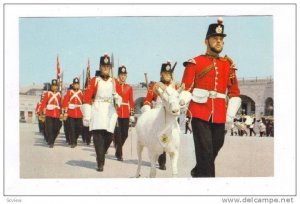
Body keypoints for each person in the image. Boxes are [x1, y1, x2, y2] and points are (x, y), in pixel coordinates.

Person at [180, 17, 241, 177]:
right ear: (206, 41)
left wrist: (230, 115)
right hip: (199, 111)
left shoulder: (228, 65)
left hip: (220, 114)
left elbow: (234, 92)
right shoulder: (195, 62)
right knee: (206, 150)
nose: (219, 41)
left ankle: (199, 170)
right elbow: (186, 88)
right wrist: (183, 100)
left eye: (221, 39)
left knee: (216, 145)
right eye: (215, 38)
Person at [81, 53, 122, 172]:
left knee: (109, 137)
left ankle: (101, 155)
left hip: (110, 111)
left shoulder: (114, 81)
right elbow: (87, 97)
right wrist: (87, 115)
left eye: (107, 67)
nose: (105, 68)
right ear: (100, 67)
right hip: (98, 110)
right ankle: (100, 162)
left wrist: (117, 97)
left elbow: (120, 100)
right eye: (103, 66)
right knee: (98, 137)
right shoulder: (95, 80)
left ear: (110, 68)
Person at [141, 60, 178, 170]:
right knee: (161, 138)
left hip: (171, 116)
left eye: (169, 73)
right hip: (159, 115)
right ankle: (162, 161)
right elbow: (147, 101)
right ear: (161, 74)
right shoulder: (155, 86)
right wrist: (148, 112)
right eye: (165, 73)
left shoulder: (174, 87)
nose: (167, 75)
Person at [114, 65, 135, 161]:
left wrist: (132, 114)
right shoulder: (115, 86)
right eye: (121, 75)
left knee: (125, 134)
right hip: (117, 112)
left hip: (126, 113)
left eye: (124, 75)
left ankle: (118, 149)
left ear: (126, 76)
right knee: (118, 134)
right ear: (118, 76)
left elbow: (131, 101)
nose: (123, 76)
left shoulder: (129, 87)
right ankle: (119, 154)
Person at [39, 79, 62, 148]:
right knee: (49, 128)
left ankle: (51, 140)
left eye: (55, 86)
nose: (54, 87)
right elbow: (43, 103)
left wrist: (63, 112)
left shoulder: (59, 94)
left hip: (57, 114)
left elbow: (61, 104)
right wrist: (41, 112)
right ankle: (51, 142)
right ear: (51, 87)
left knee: (56, 129)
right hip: (49, 113)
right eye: (53, 86)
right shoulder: (48, 93)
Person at [62, 77, 83, 148]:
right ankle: (73, 142)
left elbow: (84, 102)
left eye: (77, 84)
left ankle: (74, 139)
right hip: (71, 113)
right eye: (75, 84)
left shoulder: (81, 92)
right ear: (73, 85)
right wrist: (65, 111)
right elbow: (65, 101)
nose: (76, 85)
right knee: (72, 128)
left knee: (79, 128)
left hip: (79, 113)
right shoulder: (69, 92)